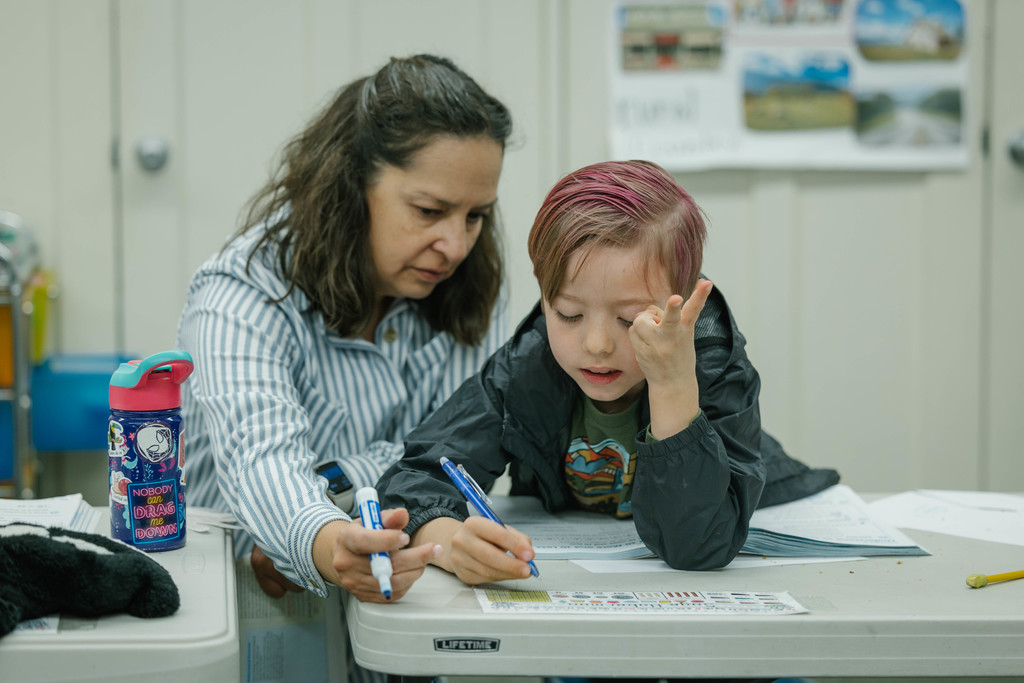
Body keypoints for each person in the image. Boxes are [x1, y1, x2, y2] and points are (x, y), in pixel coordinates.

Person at [377, 160, 840, 589]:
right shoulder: (526, 367)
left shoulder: (712, 366)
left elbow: (698, 547)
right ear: (544, 298)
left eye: (629, 319)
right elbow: (418, 475)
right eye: (568, 314)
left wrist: (674, 384)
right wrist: (450, 541)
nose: (596, 345)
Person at [176, 54, 513, 606]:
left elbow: (454, 459)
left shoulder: (472, 286)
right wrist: (321, 537)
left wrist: (332, 487)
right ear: (351, 187)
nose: (456, 246)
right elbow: (263, 462)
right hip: (249, 608)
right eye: (430, 210)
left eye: (476, 216)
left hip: (407, 604)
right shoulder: (240, 293)